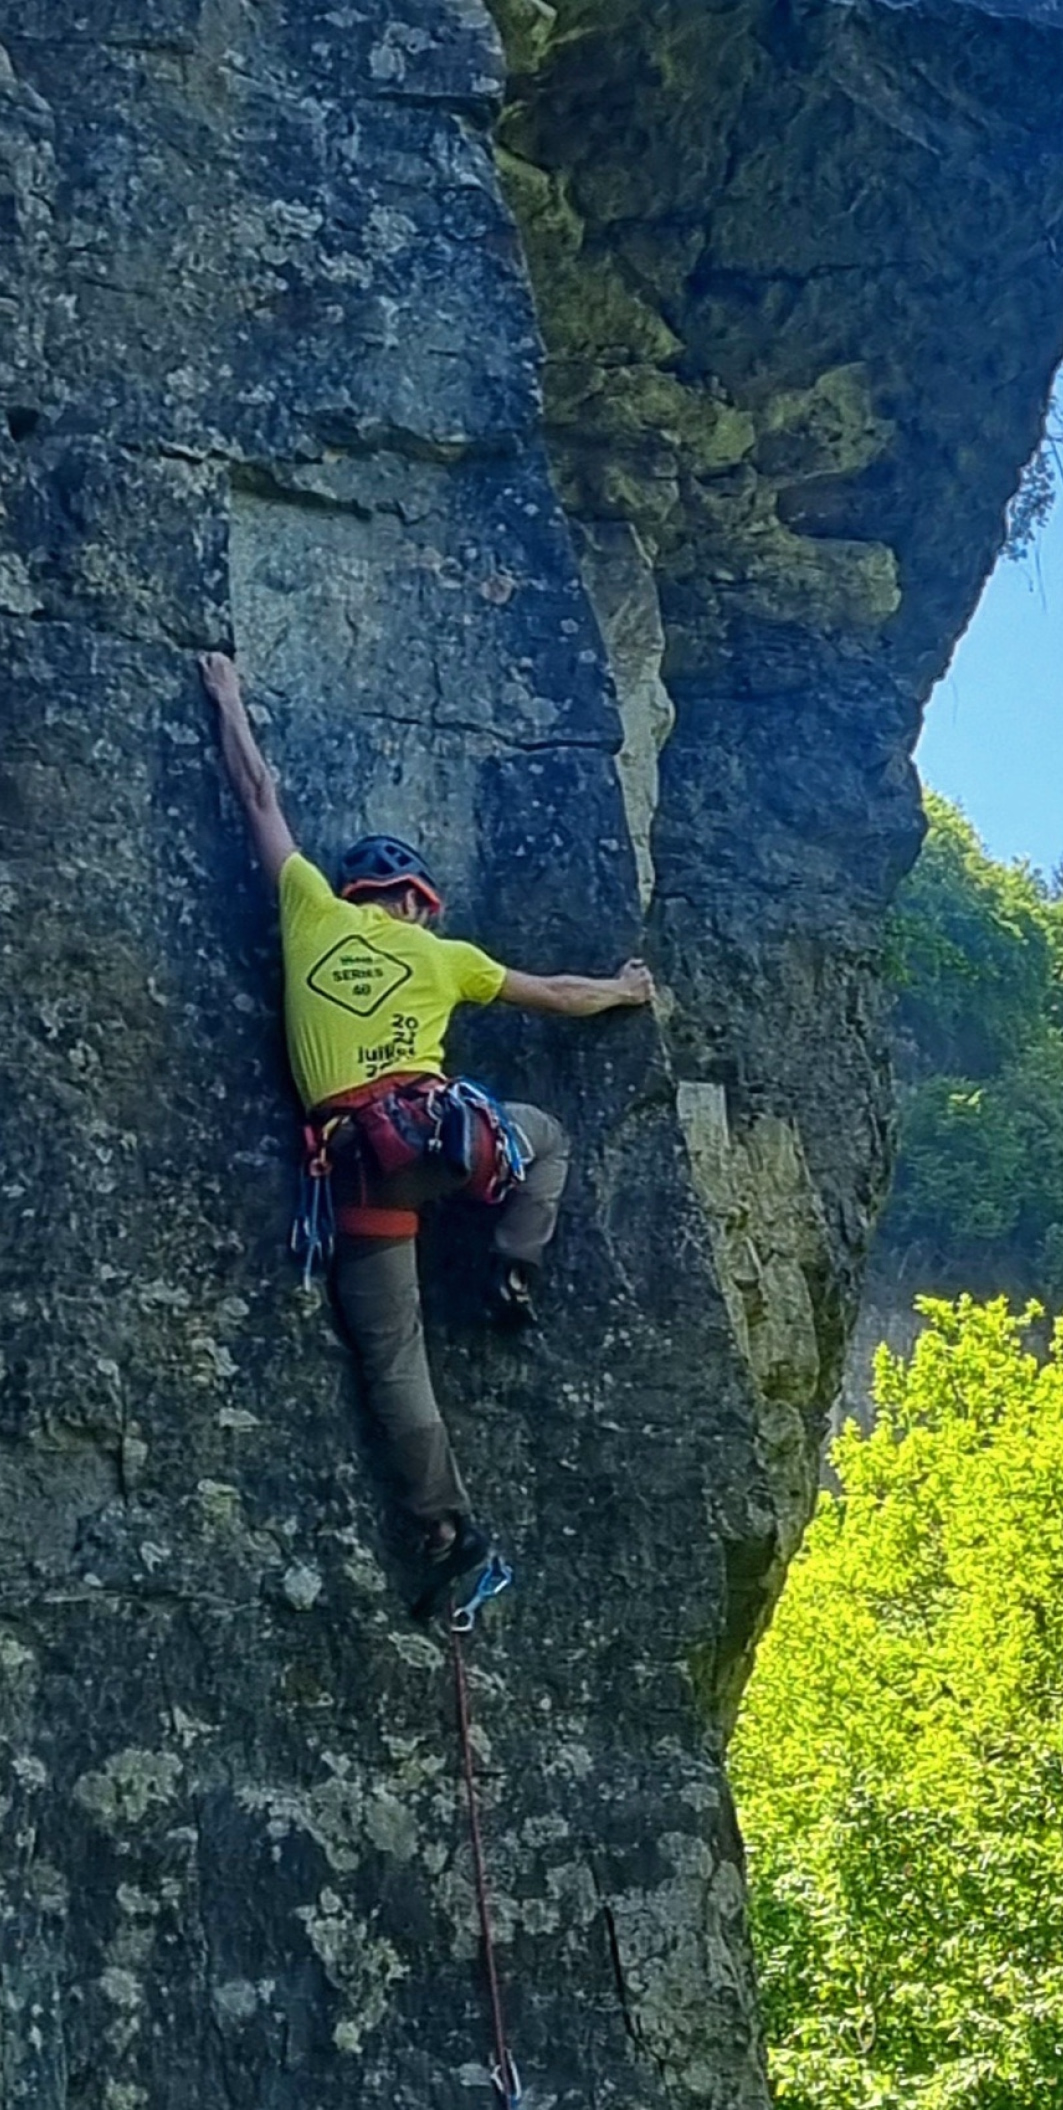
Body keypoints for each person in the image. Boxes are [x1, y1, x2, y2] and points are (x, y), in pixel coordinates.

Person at [198, 650, 654, 1615]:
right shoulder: (445, 957)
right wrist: (624, 989)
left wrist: (227, 693)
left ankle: (446, 1529)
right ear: (414, 900)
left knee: (393, 1361)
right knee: (549, 1139)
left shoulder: (307, 912)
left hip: (356, 1172)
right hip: (448, 1141)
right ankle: (513, 1268)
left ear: (356, 891)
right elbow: (561, 998)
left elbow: (257, 791)